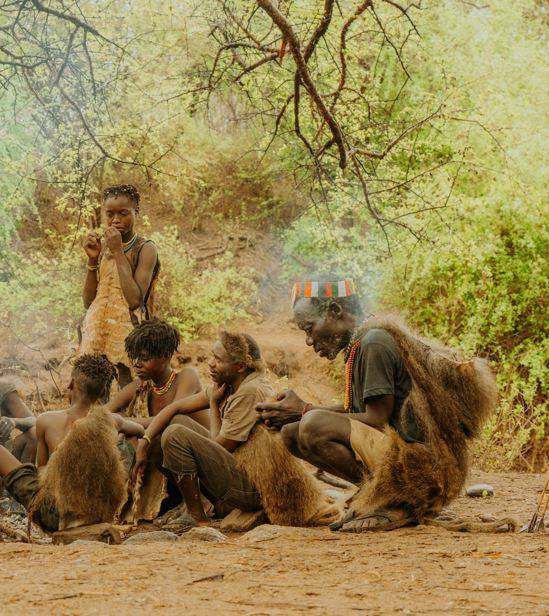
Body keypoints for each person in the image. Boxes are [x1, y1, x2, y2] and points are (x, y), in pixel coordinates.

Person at [256, 275, 496, 532]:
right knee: (292, 431)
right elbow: (360, 414)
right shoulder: (362, 342)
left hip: (423, 472)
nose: (308, 340)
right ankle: (379, 496)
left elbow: (376, 419)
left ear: (335, 310)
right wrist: (300, 410)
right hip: (415, 464)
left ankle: (397, 503)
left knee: (311, 424)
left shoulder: (374, 343)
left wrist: (305, 411)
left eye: (309, 327)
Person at [132, 331, 274, 525]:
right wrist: (145, 441)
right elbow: (175, 408)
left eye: (218, 359)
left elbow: (220, 448)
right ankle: (206, 505)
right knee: (176, 422)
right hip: (239, 477)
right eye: (212, 356)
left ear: (240, 366)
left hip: (252, 490)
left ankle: (197, 516)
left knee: (175, 434)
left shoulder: (250, 391)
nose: (211, 363)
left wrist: (214, 404)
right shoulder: (231, 384)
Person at [0, 354, 144, 532]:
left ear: (70, 384)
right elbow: (140, 431)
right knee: (129, 439)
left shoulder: (46, 420)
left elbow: (42, 474)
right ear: (101, 393)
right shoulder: (112, 420)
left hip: (54, 516)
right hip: (96, 513)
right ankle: (127, 510)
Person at [80, 184, 160, 390]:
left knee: (126, 394)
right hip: (97, 334)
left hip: (128, 338)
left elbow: (134, 300)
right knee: (94, 393)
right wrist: (92, 260)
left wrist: (117, 252)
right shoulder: (104, 247)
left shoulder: (145, 248)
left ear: (136, 212)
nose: (116, 220)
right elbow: (89, 302)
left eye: (123, 214)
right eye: (110, 214)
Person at [0, 378, 37, 463]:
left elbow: (33, 420)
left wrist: (14, 422)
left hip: (5, 454)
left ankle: (24, 473)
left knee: (34, 433)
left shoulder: (2, 388)